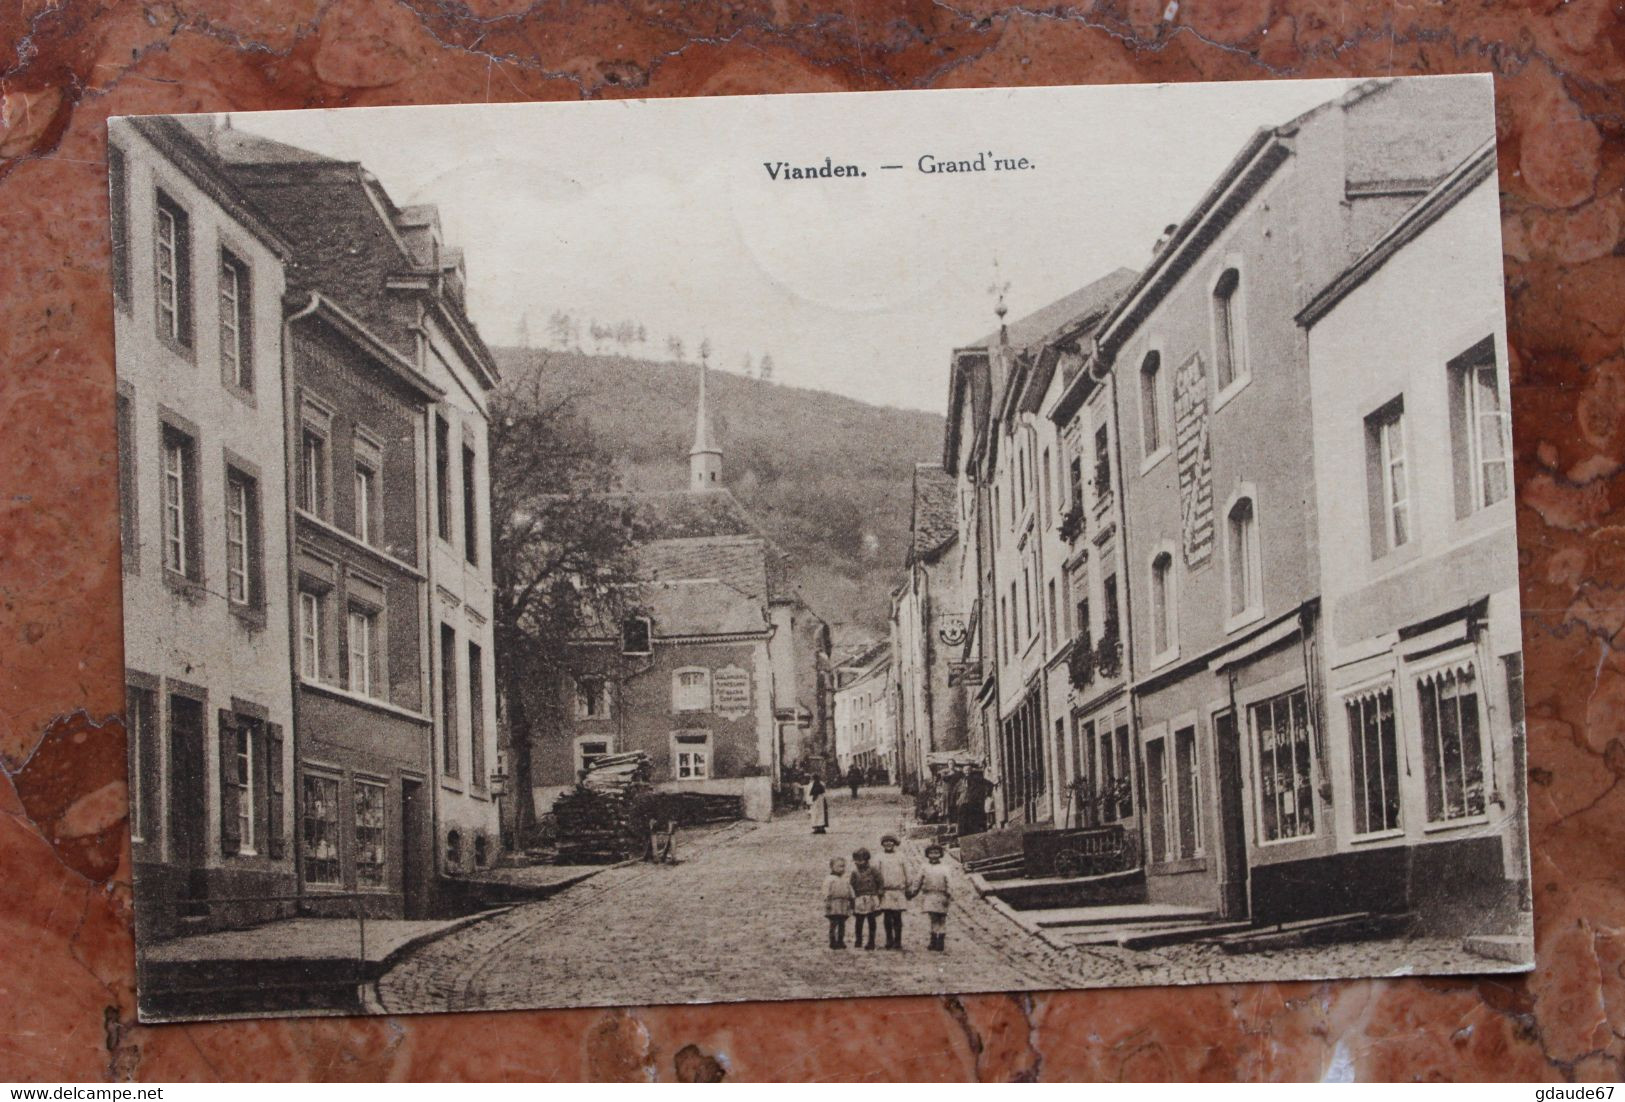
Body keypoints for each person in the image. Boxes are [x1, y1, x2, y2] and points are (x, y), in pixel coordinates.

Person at [874, 833, 911, 950]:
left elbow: (907, 871)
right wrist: (877, 888)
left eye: (891, 841)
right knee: (887, 916)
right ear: (882, 844)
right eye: (886, 842)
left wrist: (908, 885)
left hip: (898, 890)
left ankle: (898, 940)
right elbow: (876, 873)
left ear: (895, 843)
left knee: (897, 916)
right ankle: (889, 939)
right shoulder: (879, 857)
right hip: (886, 891)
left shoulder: (901, 856)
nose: (888, 843)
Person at [915, 843, 952, 951]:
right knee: (933, 918)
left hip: (942, 895)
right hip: (930, 895)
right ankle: (933, 940)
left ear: (940, 854)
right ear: (927, 855)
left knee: (942, 918)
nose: (934, 855)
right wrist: (913, 891)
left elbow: (949, 882)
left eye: (936, 853)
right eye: (931, 853)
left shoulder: (945, 868)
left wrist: (949, 894)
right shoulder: (924, 867)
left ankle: (940, 941)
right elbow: (918, 880)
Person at [848, 848, 882, 950]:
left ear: (867, 860)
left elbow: (880, 880)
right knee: (859, 920)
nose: (858, 862)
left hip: (871, 897)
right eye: (856, 860)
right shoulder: (854, 872)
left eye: (861, 860)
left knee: (871, 920)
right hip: (859, 898)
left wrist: (880, 891)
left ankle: (871, 941)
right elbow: (851, 884)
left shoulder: (873, 870)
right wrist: (852, 897)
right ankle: (858, 940)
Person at [824, 856, 853, 948]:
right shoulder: (829, 879)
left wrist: (852, 899)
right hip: (834, 903)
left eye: (843, 866)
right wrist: (827, 901)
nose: (841, 869)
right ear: (832, 867)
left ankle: (841, 941)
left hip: (843, 903)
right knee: (834, 923)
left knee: (842, 923)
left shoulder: (845, 879)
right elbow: (825, 891)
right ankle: (832, 941)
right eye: (839, 866)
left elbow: (850, 890)